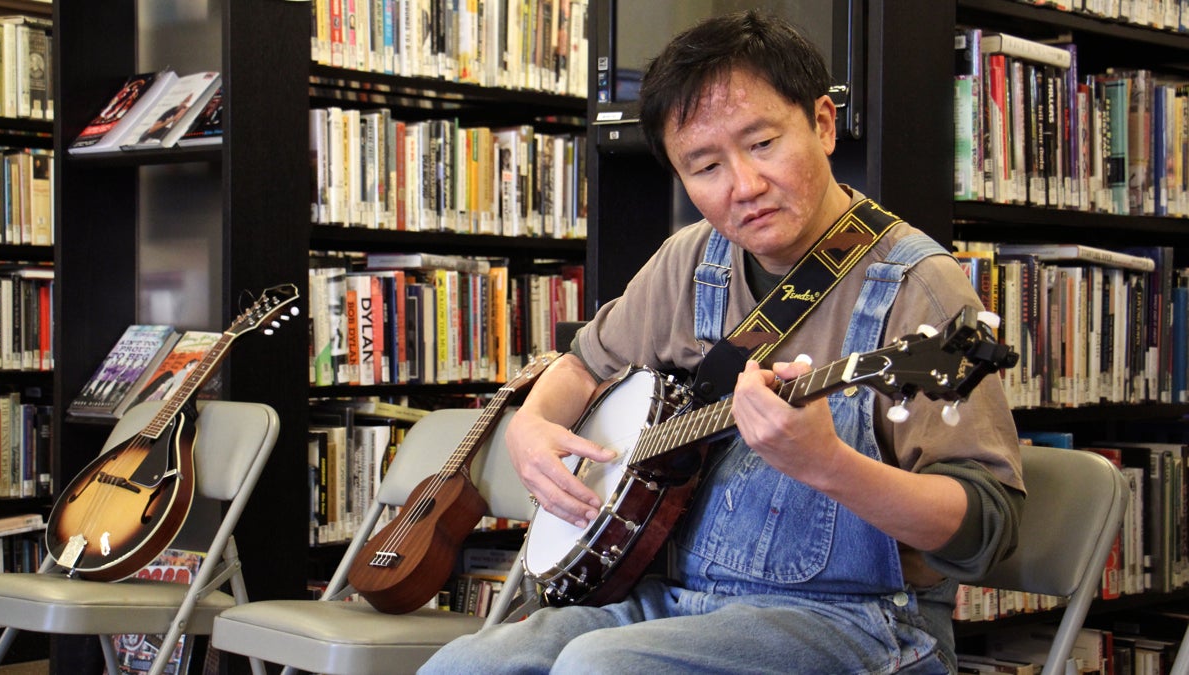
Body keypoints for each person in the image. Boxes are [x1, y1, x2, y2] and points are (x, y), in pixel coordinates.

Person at [421, 10, 1024, 674]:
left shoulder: (920, 287)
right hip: (678, 599)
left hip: (860, 620)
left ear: (823, 124)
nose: (743, 186)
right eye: (705, 166)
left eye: (763, 144)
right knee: (465, 664)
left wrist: (829, 464)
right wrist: (531, 426)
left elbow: (988, 532)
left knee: (602, 668)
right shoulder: (691, 260)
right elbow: (584, 365)